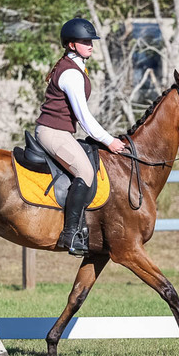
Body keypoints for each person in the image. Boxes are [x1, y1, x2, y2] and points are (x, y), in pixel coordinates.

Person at [35, 17, 127, 256]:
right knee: (85, 172)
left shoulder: (73, 67)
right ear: (72, 45)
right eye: (85, 41)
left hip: (60, 131)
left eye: (91, 41)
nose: (90, 45)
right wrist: (109, 141)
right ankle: (71, 234)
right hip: (53, 133)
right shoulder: (71, 74)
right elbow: (84, 118)